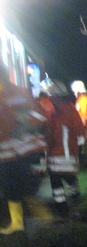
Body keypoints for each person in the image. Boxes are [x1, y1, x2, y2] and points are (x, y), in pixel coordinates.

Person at [0, 66, 49, 235]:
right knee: (14, 187)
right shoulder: (21, 92)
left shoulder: (19, 93)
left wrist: (25, 127)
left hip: (23, 151)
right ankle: (24, 222)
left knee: (21, 186)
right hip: (14, 152)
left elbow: (41, 116)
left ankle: (40, 220)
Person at [42, 80, 85, 216]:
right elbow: (79, 132)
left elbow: (47, 132)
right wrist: (80, 150)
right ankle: (75, 197)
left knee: (56, 181)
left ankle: (62, 208)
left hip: (56, 154)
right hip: (70, 154)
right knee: (69, 177)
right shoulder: (71, 109)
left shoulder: (50, 111)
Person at [70, 80, 87, 169]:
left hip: (84, 129)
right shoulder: (81, 99)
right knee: (85, 147)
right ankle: (85, 163)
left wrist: (80, 127)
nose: (74, 93)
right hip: (84, 128)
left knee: (85, 147)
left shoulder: (83, 100)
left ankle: (86, 164)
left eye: (75, 91)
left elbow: (84, 116)